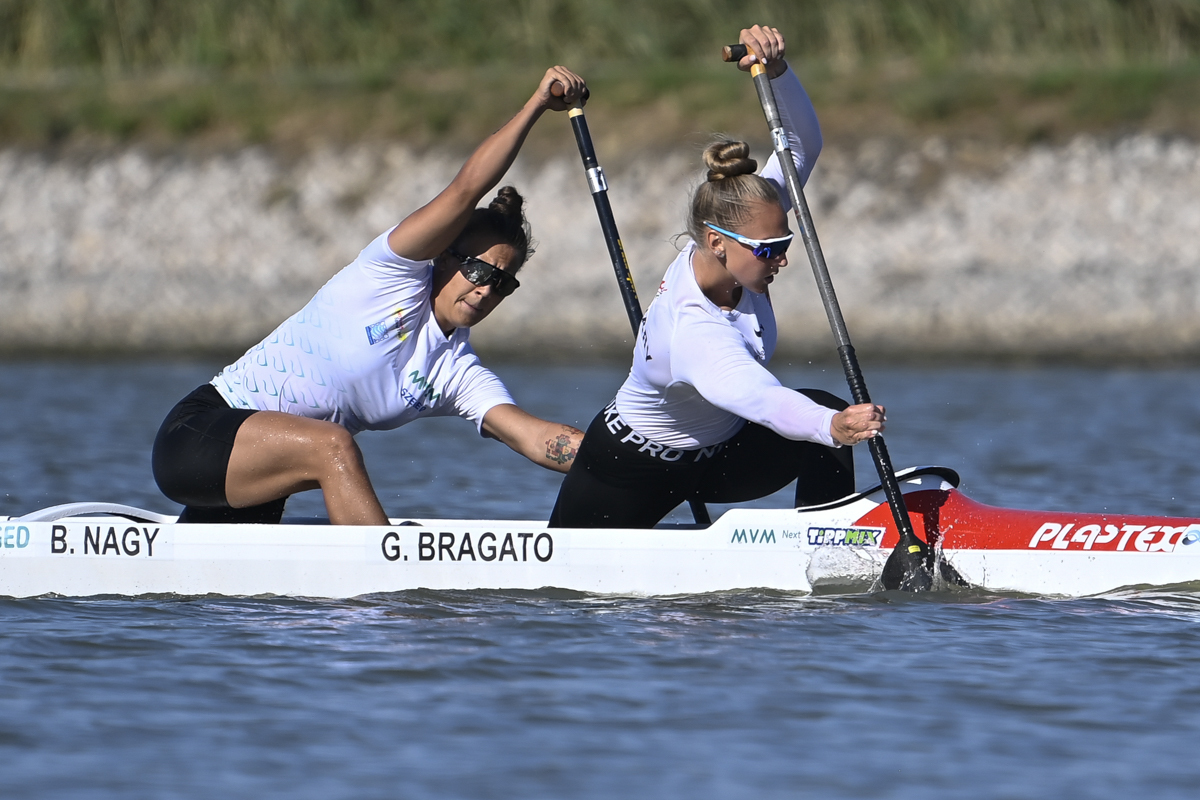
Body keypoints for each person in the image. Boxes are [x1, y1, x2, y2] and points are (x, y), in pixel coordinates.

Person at [153, 66, 589, 525]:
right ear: (443, 255)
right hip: (199, 435)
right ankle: (385, 594)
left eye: (503, 282)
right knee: (333, 445)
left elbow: (532, 438)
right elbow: (466, 189)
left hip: (264, 469)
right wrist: (537, 105)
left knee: (226, 596)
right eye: (479, 270)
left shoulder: (456, 370)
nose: (486, 288)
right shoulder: (390, 274)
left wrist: (631, 458)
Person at [549, 26, 886, 529]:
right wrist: (833, 427)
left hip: (721, 457)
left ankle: (828, 545)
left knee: (823, 411)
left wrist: (778, 73)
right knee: (824, 420)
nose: (781, 260)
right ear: (715, 243)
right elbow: (759, 397)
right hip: (630, 470)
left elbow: (800, 145)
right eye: (769, 250)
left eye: (784, 244)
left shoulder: (745, 219)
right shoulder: (693, 326)